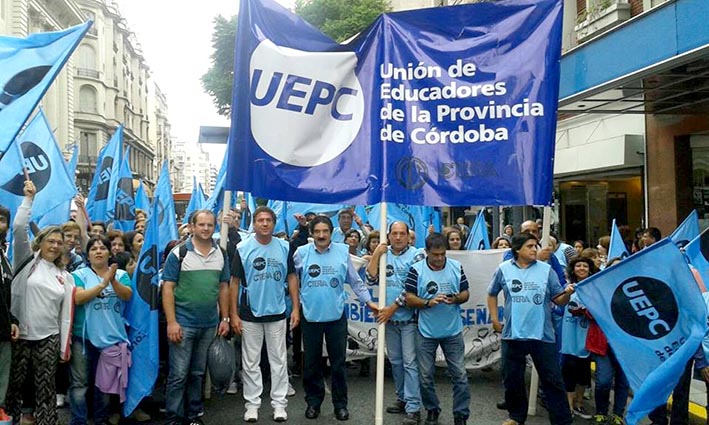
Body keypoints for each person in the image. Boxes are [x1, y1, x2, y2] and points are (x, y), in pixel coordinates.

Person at [293, 215, 378, 421]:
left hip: (336, 317)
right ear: (312, 234)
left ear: (331, 233)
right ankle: (313, 403)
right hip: (310, 317)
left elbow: (355, 281)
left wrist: (369, 302)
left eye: (325, 231)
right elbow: (292, 282)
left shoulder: (342, 251)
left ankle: (340, 404)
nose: (321, 235)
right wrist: (294, 309)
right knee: (312, 364)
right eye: (317, 232)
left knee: (338, 364)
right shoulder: (301, 253)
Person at [488, 232, 575, 425]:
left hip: (542, 334)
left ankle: (562, 420)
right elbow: (492, 293)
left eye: (535, 246)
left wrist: (567, 294)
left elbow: (558, 298)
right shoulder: (503, 269)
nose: (535, 249)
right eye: (530, 246)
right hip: (512, 334)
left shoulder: (546, 270)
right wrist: (495, 319)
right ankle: (516, 416)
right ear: (517, 249)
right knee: (512, 379)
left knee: (552, 380)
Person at [7, 180, 75, 425]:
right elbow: (17, 228)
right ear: (41, 241)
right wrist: (29, 200)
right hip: (20, 335)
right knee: (15, 387)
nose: (55, 246)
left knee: (46, 390)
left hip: (49, 338)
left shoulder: (64, 276)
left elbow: (64, 314)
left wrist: (63, 347)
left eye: (59, 243)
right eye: (51, 241)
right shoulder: (26, 261)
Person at [229, 206, 300, 422]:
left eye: (269, 220)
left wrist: (296, 308)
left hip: (277, 311)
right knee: (251, 362)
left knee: (278, 360)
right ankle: (252, 405)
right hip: (250, 312)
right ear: (254, 223)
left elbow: (291, 278)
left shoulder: (284, 247)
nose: (265, 223)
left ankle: (279, 404)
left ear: (274, 223)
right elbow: (234, 282)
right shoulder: (242, 248)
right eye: (260, 220)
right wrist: (233, 314)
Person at [161, 210, 230, 425]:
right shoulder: (179, 253)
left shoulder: (221, 253)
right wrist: (172, 322)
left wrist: (225, 319)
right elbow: (168, 289)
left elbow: (223, 287)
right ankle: (173, 418)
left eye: (210, 225)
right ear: (191, 227)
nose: (206, 228)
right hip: (183, 323)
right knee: (179, 375)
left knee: (197, 373)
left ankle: (193, 415)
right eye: (201, 224)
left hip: (209, 324)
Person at [404, 233, 470, 425]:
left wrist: (456, 298)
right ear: (426, 252)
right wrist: (427, 302)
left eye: (442, 254)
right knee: (425, 376)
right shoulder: (416, 270)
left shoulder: (456, 267)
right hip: (426, 331)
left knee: (460, 375)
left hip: (453, 331)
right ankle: (432, 409)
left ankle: (461, 414)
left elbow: (466, 293)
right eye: (435, 255)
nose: (440, 258)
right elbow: (409, 297)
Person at [70, 236, 133, 425]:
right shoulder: (79, 274)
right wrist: (102, 284)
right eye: (94, 249)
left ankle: (101, 419)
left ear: (109, 253)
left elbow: (127, 295)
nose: (98, 251)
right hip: (84, 336)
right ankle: (79, 420)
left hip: (111, 338)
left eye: (102, 248)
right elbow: (78, 298)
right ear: (88, 255)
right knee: (80, 383)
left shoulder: (121, 274)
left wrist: (112, 280)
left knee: (104, 385)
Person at [367, 222, 425, 425]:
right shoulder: (384, 253)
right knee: (396, 362)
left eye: (402, 234)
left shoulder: (417, 254)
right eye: (394, 234)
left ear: (408, 236)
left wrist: (392, 307)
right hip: (389, 321)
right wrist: (376, 254)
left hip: (409, 319)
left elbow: (413, 286)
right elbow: (370, 278)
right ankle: (402, 398)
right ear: (389, 236)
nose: (398, 237)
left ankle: (413, 408)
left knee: (410, 363)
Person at [588, 256, 629, 425]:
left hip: (627, 345)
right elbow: (590, 313)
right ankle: (601, 412)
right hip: (602, 343)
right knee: (603, 380)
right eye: (614, 267)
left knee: (623, 381)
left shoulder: (633, 289)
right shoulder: (599, 290)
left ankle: (618, 414)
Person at [560, 257, 597, 420]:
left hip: (587, 334)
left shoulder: (595, 287)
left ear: (590, 269)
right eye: (578, 266)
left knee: (583, 371)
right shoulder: (567, 286)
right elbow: (559, 303)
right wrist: (567, 293)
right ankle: (568, 405)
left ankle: (579, 403)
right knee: (569, 368)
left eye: (585, 266)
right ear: (573, 269)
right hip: (569, 334)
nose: (581, 268)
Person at [0, 203, 17, 421]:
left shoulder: (4, 257)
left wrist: (11, 320)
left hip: (3, 330)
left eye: (2, 220)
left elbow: (5, 295)